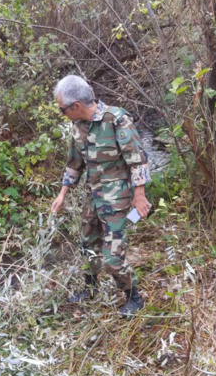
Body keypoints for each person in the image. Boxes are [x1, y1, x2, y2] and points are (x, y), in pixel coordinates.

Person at [50, 75, 152, 315]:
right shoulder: (78, 127)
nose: (62, 114)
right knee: (88, 244)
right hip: (92, 198)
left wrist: (139, 196)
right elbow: (74, 163)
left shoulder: (116, 120)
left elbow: (138, 160)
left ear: (76, 106)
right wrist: (62, 194)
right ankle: (91, 289)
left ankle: (134, 298)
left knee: (113, 258)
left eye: (62, 110)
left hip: (117, 200)